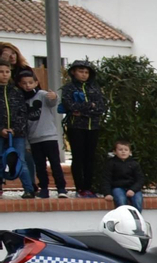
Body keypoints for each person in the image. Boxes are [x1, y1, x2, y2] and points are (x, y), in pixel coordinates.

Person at [60, 59, 107, 197]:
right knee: (78, 157)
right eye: (81, 71)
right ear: (74, 72)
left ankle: (89, 186)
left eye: (86, 72)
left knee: (90, 158)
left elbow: (100, 107)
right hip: (76, 127)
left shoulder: (95, 88)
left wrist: (83, 110)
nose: (84, 74)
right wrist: (89, 106)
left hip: (93, 127)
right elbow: (69, 106)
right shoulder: (69, 88)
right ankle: (79, 187)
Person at [19, 69, 63, 198]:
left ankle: (61, 188)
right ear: (20, 84)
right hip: (34, 139)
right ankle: (44, 188)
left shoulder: (43, 94)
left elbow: (52, 102)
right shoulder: (20, 100)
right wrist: (27, 142)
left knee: (55, 163)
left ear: (36, 82)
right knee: (40, 166)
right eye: (24, 83)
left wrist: (55, 96)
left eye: (30, 82)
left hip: (49, 136)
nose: (28, 85)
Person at [0, 61, 37, 197]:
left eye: (7, 72)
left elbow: (23, 112)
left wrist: (15, 129)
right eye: (1, 72)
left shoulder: (16, 91)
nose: (4, 75)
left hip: (17, 134)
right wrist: (1, 129)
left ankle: (29, 189)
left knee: (20, 161)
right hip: (0, 133)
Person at [105, 140, 144, 210]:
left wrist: (133, 190)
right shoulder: (111, 164)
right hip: (118, 187)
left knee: (138, 201)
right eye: (120, 150)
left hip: (133, 188)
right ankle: (123, 219)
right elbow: (106, 179)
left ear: (130, 152)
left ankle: (136, 219)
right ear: (114, 152)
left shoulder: (134, 164)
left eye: (126, 150)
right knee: (121, 200)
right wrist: (107, 193)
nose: (123, 151)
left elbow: (140, 179)